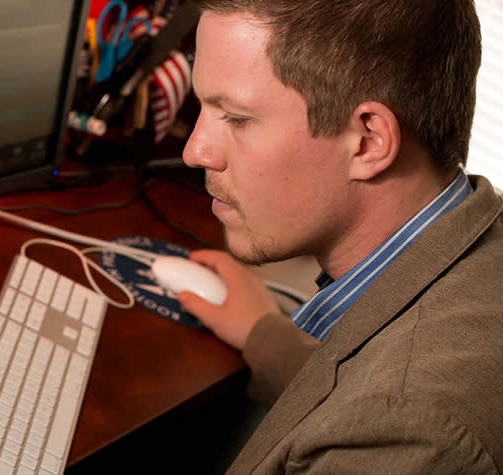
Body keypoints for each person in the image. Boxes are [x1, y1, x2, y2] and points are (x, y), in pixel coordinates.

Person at [177, 0, 503, 472]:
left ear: (368, 142)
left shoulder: (410, 435)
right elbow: (355, 380)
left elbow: (381, 406)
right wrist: (262, 334)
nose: (194, 151)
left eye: (236, 117)